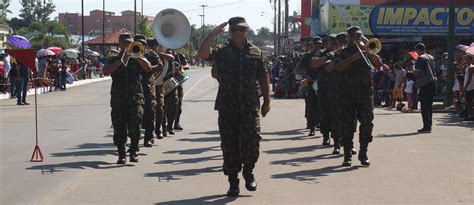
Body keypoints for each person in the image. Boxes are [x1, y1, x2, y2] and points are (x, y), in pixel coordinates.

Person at [197, 17, 271, 197]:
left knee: (252, 140)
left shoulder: (256, 52)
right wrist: (212, 34)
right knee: (229, 144)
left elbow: (263, 77)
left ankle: (249, 171)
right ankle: (233, 181)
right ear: (230, 32)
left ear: (247, 31)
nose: (238, 32)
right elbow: (202, 54)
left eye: (242, 29)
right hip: (227, 105)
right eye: (234, 29)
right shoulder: (222, 51)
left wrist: (267, 102)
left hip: (249, 104)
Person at [103, 33, 152, 164]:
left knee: (135, 126)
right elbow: (105, 71)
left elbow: (148, 68)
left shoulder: (137, 57)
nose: (126, 45)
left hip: (135, 98)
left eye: (128, 43)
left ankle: (134, 151)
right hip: (118, 99)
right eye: (124, 43)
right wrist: (121, 61)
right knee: (119, 127)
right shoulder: (113, 58)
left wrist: (138, 56)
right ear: (119, 45)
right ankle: (121, 154)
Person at [334, 26, 374, 166]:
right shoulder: (342, 52)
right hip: (347, 94)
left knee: (367, 122)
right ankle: (347, 155)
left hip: (364, 93)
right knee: (347, 125)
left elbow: (378, 64)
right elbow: (338, 67)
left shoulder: (367, 51)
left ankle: (363, 153)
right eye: (354, 36)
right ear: (349, 38)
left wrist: (370, 53)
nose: (357, 39)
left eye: (359, 36)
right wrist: (354, 57)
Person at [135, 34, 162, 147]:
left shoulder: (151, 54)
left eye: (142, 43)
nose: (140, 45)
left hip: (148, 87)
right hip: (134, 89)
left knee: (150, 113)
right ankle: (134, 142)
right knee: (135, 115)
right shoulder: (128, 54)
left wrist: (149, 70)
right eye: (137, 42)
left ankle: (148, 137)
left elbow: (160, 65)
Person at [413, 43, 436, 133]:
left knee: (424, 106)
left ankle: (426, 126)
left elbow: (418, 72)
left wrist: (412, 70)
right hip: (432, 82)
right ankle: (429, 125)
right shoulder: (431, 57)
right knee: (429, 106)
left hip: (425, 84)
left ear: (418, 50)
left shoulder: (421, 58)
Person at [462, 54, 474, 121]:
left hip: (470, 87)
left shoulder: (471, 67)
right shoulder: (466, 67)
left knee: (469, 102)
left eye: (467, 59)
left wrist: (465, 87)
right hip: (467, 86)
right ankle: (469, 115)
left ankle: (471, 115)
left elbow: (469, 79)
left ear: (470, 59)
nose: (465, 60)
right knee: (467, 102)